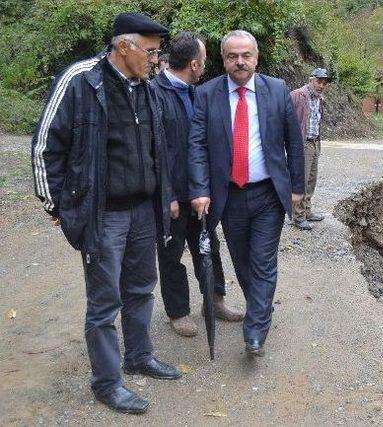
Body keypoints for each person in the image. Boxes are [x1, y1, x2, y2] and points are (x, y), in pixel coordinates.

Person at [31, 13, 181, 415]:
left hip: (143, 212)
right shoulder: (81, 80)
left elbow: (157, 147)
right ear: (123, 47)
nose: (156, 58)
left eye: (157, 51)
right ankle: (107, 382)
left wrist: (164, 194)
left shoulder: (147, 86)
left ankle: (139, 355)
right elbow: (46, 144)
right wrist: (57, 205)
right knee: (104, 301)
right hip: (104, 215)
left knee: (140, 288)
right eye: (150, 50)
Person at [188, 30, 304, 357]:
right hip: (230, 196)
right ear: (223, 59)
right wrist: (199, 189)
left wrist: (297, 187)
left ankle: (254, 332)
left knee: (262, 261)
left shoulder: (278, 90)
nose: (240, 62)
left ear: (256, 57)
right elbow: (196, 146)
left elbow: (293, 143)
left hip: (268, 194)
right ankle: (261, 308)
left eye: (246, 55)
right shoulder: (207, 94)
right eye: (232, 56)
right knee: (241, 261)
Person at [150, 32, 243, 338]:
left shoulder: (198, 92)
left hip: (200, 192)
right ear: (193, 64)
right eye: (203, 61)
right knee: (171, 253)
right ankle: (178, 312)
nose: (205, 67)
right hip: (172, 196)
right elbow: (153, 152)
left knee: (209, 247)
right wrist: (166, 195)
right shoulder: (154, 94)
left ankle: (214, 300)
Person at [289, 68, 331, 231]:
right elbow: (285, 118)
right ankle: (298, 217)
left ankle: (307, 212)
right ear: (311, 79)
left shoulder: (319, 99)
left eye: (324, 83)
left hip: (314, 142)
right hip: (302, 144)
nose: (321, 85)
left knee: (311, 180)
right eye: (318, 81)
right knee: (301, 180)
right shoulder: (297, 95)